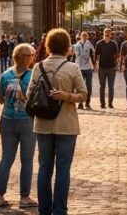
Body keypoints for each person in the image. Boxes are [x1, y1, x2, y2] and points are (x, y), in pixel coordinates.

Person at [32, 28, 87, 215]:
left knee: (44, 169)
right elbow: (83, 95)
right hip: (66, 125)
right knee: (63, 169)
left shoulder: (37, 67)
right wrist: (66, 96)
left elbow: (31, 95)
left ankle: (44, 209)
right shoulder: (73, 68)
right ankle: (60, 210)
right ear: (66, 47)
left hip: (42, 124)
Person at [0, 43, 38, 209]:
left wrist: (9, 98)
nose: (33, 57)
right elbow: (36, 100)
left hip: (7, 120)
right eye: (31, 55)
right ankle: (24, 197)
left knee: (6, 158)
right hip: (27, 121)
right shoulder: (33, 75)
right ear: (25, 58)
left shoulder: (6, 75)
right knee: (27, 160)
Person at [94, 29, 119, 109]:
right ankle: (102, 103)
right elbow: (97, 56)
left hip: (111, 67)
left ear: (111, 34)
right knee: (102, 86)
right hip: (102, 67)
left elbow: (116, 56)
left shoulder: (113, 44)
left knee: (111, 86)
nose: (107, 35)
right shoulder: (99, 43)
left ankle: (110, 103)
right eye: (106, 33)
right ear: (104, 34)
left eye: (109, 33)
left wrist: (116, 65)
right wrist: (96, 65)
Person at [72, 32, 95, 110]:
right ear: (81, 37)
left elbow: (92, 54)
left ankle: (87, 103)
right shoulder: (77, 44)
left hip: (88, 67)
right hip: (79, 67)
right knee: (80, 86)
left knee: (89, 86)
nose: (84, 38)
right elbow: (74, 56)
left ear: (87, 37)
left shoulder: (89, 44)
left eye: (86, 37)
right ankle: (80, 103)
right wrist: (72, 65)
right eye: (83, 36)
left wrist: (95, 64)